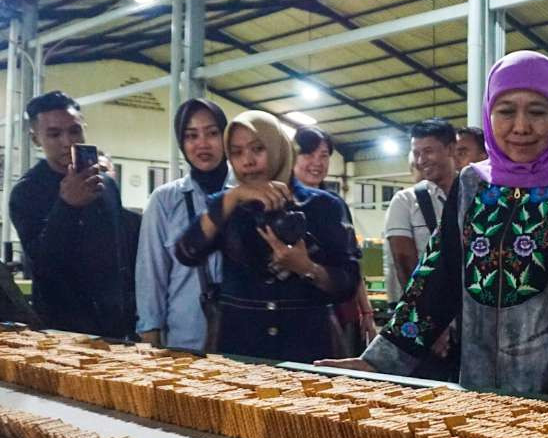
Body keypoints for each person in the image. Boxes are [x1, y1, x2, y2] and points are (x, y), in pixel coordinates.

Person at [317, 50, 548, 401]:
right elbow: (437, 276)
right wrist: (378, 362)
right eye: (505, 111)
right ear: (489, 113)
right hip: (478, 391)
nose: (520, 127)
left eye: (537, 111)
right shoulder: (473, 183)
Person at [175, 111, 360, 362]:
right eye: (237, 152)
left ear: (277, 148)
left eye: (257, 149)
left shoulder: (323, 206)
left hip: (307, 349)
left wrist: (307, 267)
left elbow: (348, 284)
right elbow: (187, 252)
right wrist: (231, 198)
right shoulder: (228, 206)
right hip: (239, 351)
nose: (247, 161)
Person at [9, 90, 138, 339]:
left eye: (75, 130)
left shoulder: (105, 184)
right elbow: (42, 264)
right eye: (54, 134)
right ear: (35, 138)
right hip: (62, 327)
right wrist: (66, 206)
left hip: (117, 325)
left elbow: (120, 250)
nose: (67, 141)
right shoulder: (27, 192)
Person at [136, 98, 229, 351]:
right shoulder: (164, 200)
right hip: (185, 341)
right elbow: (151, 271)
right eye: (191, 135)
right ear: (181, 142)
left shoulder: (245, 194)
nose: (202, 144)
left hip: (245, 339)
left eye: (212, 133)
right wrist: (150, 331)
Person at [381, 119, 458, 379]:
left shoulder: (474, 194)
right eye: (416, 152)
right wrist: (429, 326)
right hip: (421, 322)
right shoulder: (406, 201)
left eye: (429, 150)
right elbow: (404, 263)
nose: (421, 159)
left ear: (450, 149)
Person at [293, 126, 378, 349]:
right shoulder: (280, 204)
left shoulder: (335, 205)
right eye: (308, 154)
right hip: (300, 312)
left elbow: (352, 264)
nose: (317, 162)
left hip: (342, 310)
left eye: (323, 156)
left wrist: (367, 311)